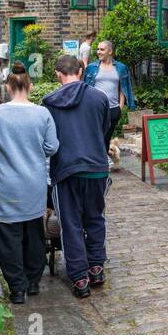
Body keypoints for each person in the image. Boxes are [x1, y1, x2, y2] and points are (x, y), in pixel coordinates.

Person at [0, 63, 59, 304]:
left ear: (8, 87)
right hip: (33, 184)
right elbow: (53, 147)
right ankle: (33, 282)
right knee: (33, 234)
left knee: (7, 238)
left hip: (5, 186)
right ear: (30, 86)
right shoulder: (43, 113)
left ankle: (17, 288)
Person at [41, 54, 111, 298]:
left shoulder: (48, 102)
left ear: (59, 74)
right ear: (80, 72)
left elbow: (47, 142)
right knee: (95, 218)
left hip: (65, 170)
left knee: (70, 224)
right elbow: (103, 132)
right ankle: (97, 267)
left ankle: (80, 278)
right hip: (96, 167)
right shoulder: (100, 98)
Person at [83, 39, 135, 170]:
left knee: (106, 137)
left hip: (113, 109)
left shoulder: (121, 68)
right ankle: (97, 162)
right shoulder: (91, 68)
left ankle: (101, 165)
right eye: (98, 49)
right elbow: (85, 88)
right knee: (95, 136)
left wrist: (120, 106)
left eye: (102, 49)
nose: (98, 52)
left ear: (110, 51)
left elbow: (122, 88)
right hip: (95, 109)